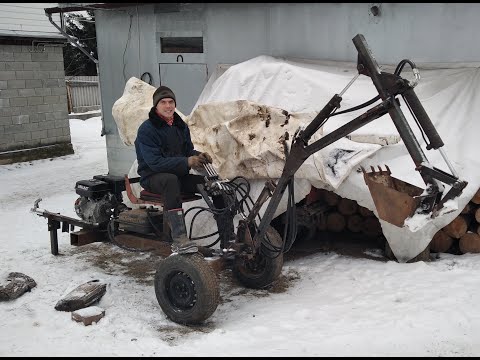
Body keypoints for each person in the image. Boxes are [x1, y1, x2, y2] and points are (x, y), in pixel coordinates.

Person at [134, 85, 230, 254]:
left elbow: (187, 152)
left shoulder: (179, 125)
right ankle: (179, 238)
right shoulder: (147, 130)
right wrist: (187, 161)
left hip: (178, 175)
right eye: (163, 102)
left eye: (171, 102)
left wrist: (199, 157)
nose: (168, 106)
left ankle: (227, 237)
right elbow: (155, 163)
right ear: (156, 105)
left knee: (213, 186)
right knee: (170, 181)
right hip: (153, 177)